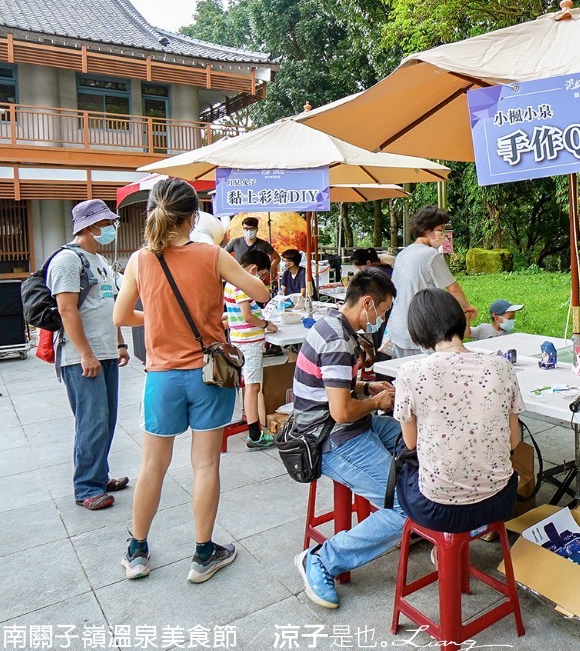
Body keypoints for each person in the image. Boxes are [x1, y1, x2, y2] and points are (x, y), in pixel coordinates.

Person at [114, 178, 271, 583]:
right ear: (194, 216)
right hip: (208, 375)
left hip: (161, 377)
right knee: (205, 465)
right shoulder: (212, 254)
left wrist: (157, 318)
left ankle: (136, 551)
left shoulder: (139, 260)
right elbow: (261, 292)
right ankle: (203, 554)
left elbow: (120, 316)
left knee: (153, 465)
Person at [293, 268, 403, 609]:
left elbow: (334, 385)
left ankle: (398, 520)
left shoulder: (331, 324)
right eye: (382, 312)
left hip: (340, 425)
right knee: (404, 508)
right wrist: (377, 402)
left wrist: (368, 387)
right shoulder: (340, 341)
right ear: (368, 302)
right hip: (331, 438)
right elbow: (341, 412)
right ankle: (323, 559)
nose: (380, 319)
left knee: (409, 442)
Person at [394, 289, 522, 532]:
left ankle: (440, 548)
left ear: (418, 331)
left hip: (437, 509)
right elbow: (514, 442)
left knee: (402, 459)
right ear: (459, 319)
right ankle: (455, 545)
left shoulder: (409, 373)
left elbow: (411, 443)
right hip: (500, 501)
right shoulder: (502, 366)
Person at [47, 200, 131, 511]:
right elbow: (66, 309)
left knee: (106, 420)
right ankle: (86, 488)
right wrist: (85, 354)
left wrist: (120, 343)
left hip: (106, 352)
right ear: (89, 226)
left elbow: (111, 306)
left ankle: (98, 475)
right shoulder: (68, 261)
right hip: (82, 357)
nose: (110, 228)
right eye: (105, 222)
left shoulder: (99, 261)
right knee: (92, 422)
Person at [385, 206, 477, 358]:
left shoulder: (402, 254)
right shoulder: (431, 255)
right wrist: (467, 307)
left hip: (397, 330)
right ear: (426, 229)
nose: (442, 235)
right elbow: (452, 288)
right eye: (440, 230)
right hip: (421, 331)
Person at [223, 248, 277, 450]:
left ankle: (252, 426)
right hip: (249, 342)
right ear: (253, 269)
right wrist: (265, 324)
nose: (262, 279)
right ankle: (255, 434)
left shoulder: (229, 283)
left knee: (248, 385)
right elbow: (247, 316)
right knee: (253, 387)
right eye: (262, 274)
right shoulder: (243, 285)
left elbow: (234, 314)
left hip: (238, 339)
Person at [226, 216, 278, 283]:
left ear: (256, 229)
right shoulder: (235, 242)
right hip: (239, 277)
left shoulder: (263, 244)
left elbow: (277, 258)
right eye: (246, 229)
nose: (248, 231)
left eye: (251, 229)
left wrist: (268, 271)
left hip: (257, 278)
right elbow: (222, 254)